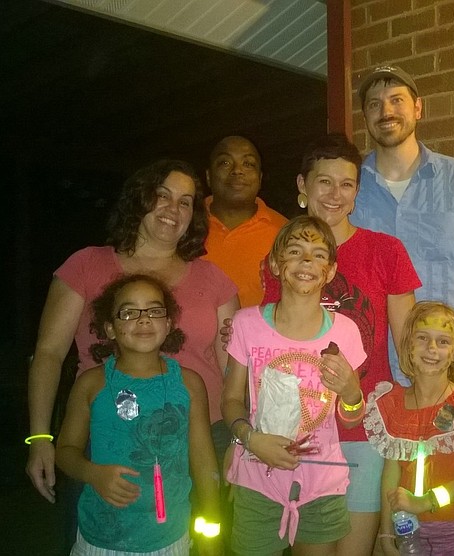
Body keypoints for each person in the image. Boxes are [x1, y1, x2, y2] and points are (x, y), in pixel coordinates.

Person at [26, 159, 240, 504]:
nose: (174, 209)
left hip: (202, 437)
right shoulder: (86, 265)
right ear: (140, 199)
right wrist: (38, 438)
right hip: (109, 433)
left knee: (203, 540)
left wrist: (240, 438)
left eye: (185, 202)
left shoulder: (214, 279)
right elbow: (49, 353)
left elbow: (234, 369)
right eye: (163, 195)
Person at [261, 133, 421, 555]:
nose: (335, 194)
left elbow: (408, 345)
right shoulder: (281, 256)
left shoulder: (386, 251)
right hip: (301, 431)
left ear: (356, 193)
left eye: (347, 184)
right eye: (324, 182)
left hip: (362, 426)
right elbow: (268, 343)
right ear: (302, 186)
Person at [351, 64, 454, 388]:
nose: (386, 111)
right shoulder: (351, 189)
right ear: (365, 116)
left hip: (449, 373)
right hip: (372, 381)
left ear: (418, 107)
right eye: (374, 104)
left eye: (396, 100)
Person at [222, 215, 367, 556]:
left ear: (330, 271)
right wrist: (250, 439)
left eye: (319, 254)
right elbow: (230, 399)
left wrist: (350, 392)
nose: (307, 261)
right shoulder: (246, 323)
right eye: (296, 251)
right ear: (275, 263)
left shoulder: (345, 331)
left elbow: (352, 417)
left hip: (322, 483)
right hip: (258, 476)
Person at [55, 274, 221, 556]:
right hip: (100, 539)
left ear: (168, 324)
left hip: (171, 540)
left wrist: (212, 531)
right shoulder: (91, 384)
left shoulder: (190, 384)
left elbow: (204, 462)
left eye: (155, 311)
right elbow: (65, 451)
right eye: (129, 312)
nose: (144, 320)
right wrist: (92, 473)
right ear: (110, 328)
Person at [364, 301, 454, 555]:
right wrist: (386, 533)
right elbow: (391, 475)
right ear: (408, 345)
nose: (432, 349)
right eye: (422, 338)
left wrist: (428, 500)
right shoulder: (392, 403)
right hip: (407, 533)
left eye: (443, 342)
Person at [203, 135, 287, 307]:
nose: (237, 170)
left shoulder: (285, 232)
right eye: (225, 163)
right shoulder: (185, 225)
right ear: (209, 176)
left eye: (248, 164)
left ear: (260, 178)